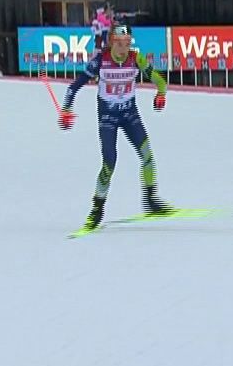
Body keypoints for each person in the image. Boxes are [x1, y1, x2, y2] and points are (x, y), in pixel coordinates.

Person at [60, 24, 175, 231]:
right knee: (109, 163)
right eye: (120, 43)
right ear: (112, 42)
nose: (124, 48)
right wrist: (66, 109)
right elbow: (73, 87)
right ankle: (97, 208)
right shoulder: (100, 61)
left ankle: (151, 200)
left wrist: (161, 94)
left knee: (147, 155)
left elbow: (160, 81)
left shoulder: (136, 58)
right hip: (108, 117)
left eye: (127, 43)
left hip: (130, 114)